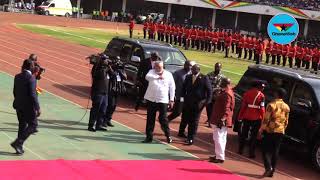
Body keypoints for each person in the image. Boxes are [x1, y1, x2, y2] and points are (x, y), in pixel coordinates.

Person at [258, 88, 290, 177]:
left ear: (276, 94)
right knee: (275, 150)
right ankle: (272, 171)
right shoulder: (287, 107)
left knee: (265, 150)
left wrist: (261, 130)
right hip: (280, 130)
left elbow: (266, 120)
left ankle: (268, 167)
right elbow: (286, 121)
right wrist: (283, 129)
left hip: (270, 130)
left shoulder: (271, 105)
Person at [11, 59, 40, 155]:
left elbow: (15, 91)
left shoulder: (17, 76)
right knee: (33, 125)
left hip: (18, 105)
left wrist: (19, 100)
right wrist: (37, 107)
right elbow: (33, 94)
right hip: (28, 106)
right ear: (31, 67)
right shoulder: (31, 78)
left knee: (22, 125)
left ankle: (19, 147)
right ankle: (18, 142)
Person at [178, 64, 212, 145]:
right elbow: (183, 89)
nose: (192, 71)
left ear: (198, 70)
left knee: (194, 121)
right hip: (187, 102)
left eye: (194, 69)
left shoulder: (204, 78)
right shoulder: (188, 77)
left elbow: (209, 90)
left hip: (198, 104)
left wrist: (207, 102)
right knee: (185, 118)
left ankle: (191, 138)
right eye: (192, 69)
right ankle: (181, 132)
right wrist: (182, 100)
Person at [143, 61, 175, 143]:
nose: (157, 68)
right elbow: (147, 77)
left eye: (159, 67)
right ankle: (149, 137)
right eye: (156, 66)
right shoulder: (151, 72)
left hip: (163, 100)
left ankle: (168, 135)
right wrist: (157, 77)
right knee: (150, 118)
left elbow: (172, 87)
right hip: (151, 99)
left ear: (162, 66)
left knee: (163, 119)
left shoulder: (168, 74)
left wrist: (171, 99)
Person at [237, 81, 265, 159]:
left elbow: (243, 106)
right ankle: (251, 153)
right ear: (258, 87)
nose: (263, 89)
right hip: (256, 117)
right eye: (262, 87)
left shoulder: (247, 93)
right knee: (253, 136)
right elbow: (262, 108)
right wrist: (263, 118)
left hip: (246, 115)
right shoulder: (261, 95)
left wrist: (240, 116)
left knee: (244, 134)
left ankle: (240, 150)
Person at [209, 78, 235, 163]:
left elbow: (227, 108)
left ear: (225, 83)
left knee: (218, 138)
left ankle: (220, 157)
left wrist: (222, 119)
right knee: (222, 138)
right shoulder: (227, 92)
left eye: (222, 82)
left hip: (221, 119)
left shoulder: (227, 94)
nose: (220, 83)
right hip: (222, 119)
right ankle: (219, 155)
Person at [88, 55, 113, 132]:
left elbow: (113, 74)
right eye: (105, 60)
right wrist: (106, 67)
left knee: (103, 109)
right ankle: (91, 125)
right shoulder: (97, 68)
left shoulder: (106, 68)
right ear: (101, 61)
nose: (107, 61)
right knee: (95, 109)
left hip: (105, 92)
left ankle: (99, 125)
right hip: (98, 92)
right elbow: (101, 75)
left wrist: (109, 66)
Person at [103, 60, 127, 127]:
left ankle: (108, 120)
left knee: (114, 106)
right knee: (110, 105)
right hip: (111, 90)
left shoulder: (121, 70)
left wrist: (120, 71)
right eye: (116, 61)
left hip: (118, 90)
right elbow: (112, 75)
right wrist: (113, 67)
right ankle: (104, 120)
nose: (118, 63)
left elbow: (125, 77)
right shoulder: (111, 69)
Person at [205, 63, 224, 128]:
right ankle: (209, 119)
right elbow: (206, 83)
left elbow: (223, 86)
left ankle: (211, 120)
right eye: (216, 67)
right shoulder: (209, 75)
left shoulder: (223, 77)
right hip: (209, 94)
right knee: (208, 108)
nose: (217, 68)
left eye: (219, 67)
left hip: (217, 95)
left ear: (221, 68)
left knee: (214, 108)